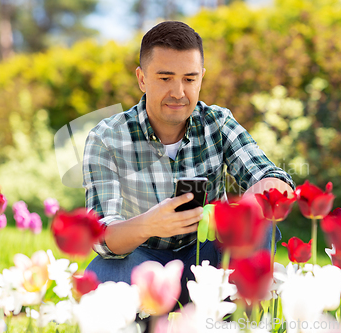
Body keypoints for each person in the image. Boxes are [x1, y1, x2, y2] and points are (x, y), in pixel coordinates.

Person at [82, 21, 294, 304]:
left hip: (209, 258)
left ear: (201, 78)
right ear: (142, 78)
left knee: (263, 222)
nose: (179, 92)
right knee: (101, 278)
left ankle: (238, 318)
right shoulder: (106, 138)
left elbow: (271, 175)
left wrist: (262, 192)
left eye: (190, 79)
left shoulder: (218, 122)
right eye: (165, 78)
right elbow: (101, 236)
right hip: (143, 260)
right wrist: (149, 224)